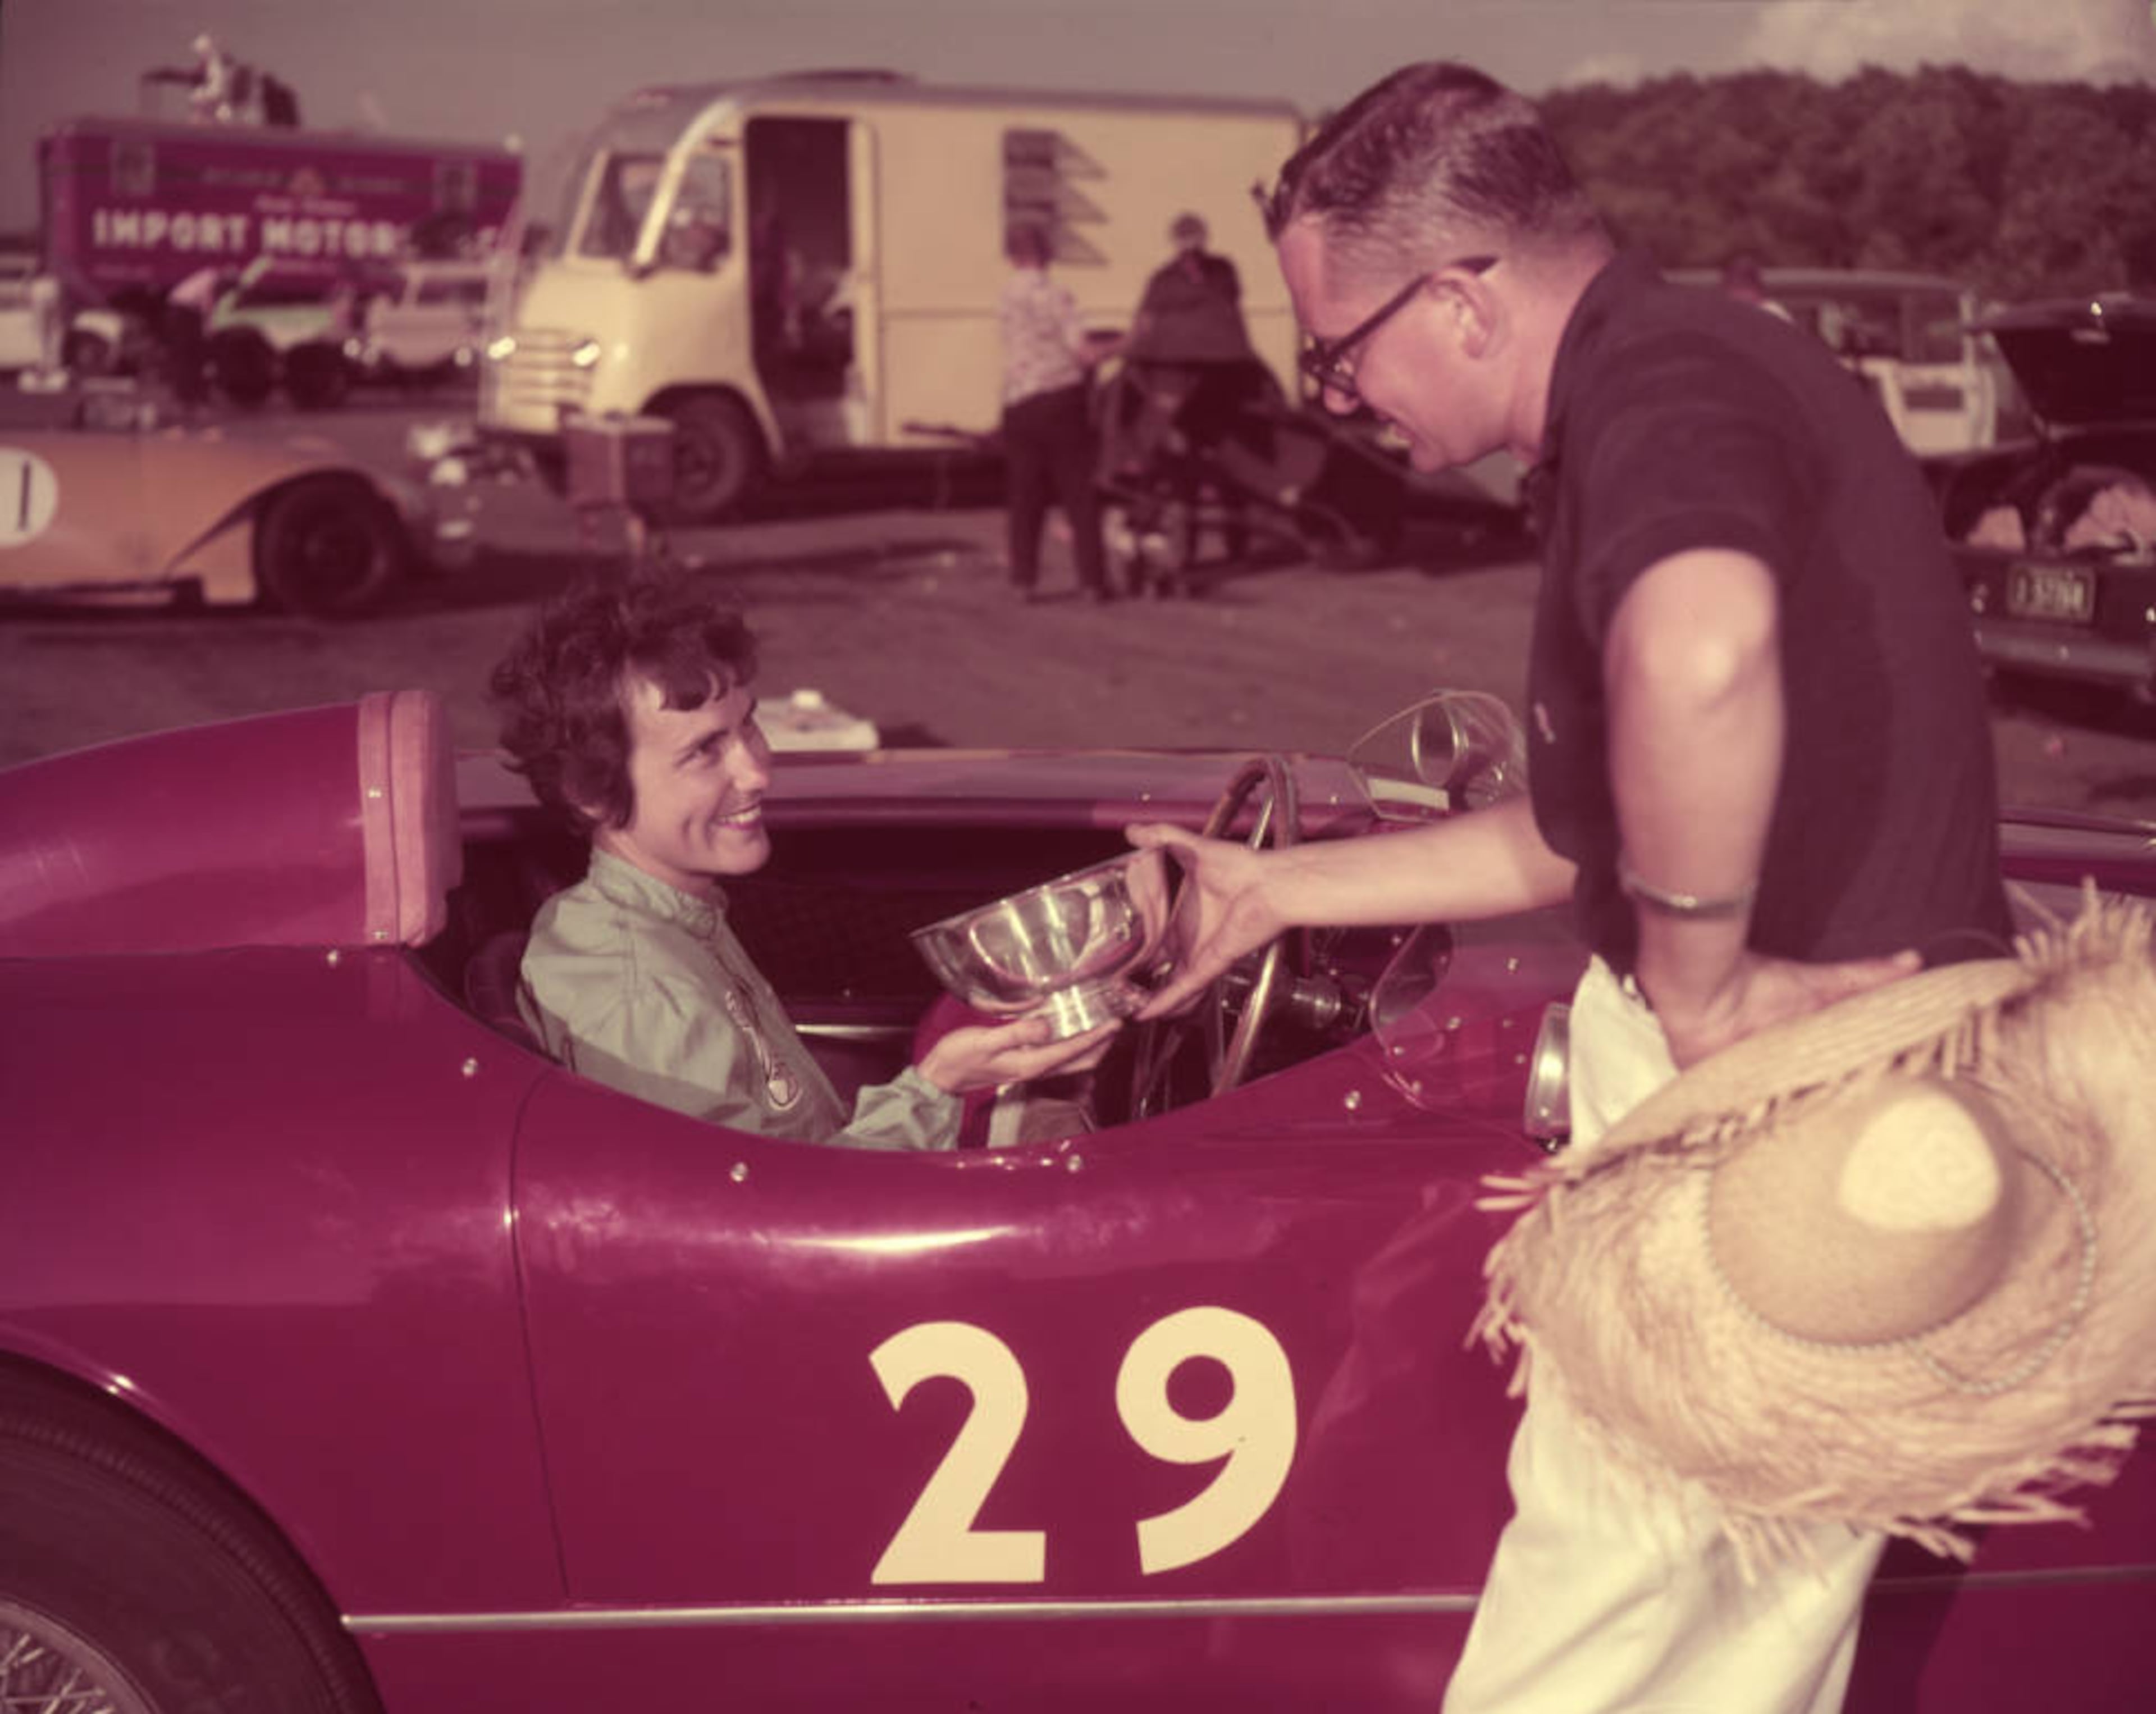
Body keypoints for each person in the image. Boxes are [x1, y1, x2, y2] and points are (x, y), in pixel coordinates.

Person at [1129, 60, 2012, 1714]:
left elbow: (1695, 649)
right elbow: (1578, 834)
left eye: (1337, 354)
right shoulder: (1668, 378)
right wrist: (1262, 898)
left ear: (1459, 300)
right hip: (1805, 1115)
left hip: (1770, 1118)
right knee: (1729, 1667)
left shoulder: (1662, 382)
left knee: (1579, 1654)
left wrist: (1696, 983)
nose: (1332, 401)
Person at [491, 575, 1116, 1148]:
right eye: (705, 751)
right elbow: (758, 1229)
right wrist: (938, 1087)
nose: (757, 770)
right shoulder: (638, 993)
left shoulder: (668, 919)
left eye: (747, 726)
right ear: (593, 792)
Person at [1109, 212, 1272, 564]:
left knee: (1234, 473)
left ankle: (1237, 547)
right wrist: (1127, 350)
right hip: (1175, 388)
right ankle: (1184, 555)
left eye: (1196, 236)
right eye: (1185, 237)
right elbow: (1146, 322)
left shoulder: (1223, 271)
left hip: (1224, 385)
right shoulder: (1163, 280)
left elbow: (1228, 314)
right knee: (1182, 484)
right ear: (1175, 241)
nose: (1191, 244)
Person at [999, 222, 1115, 601]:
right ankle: (1092, 582)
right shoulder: (1056, 295)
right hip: (1060, 402)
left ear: (1013, 255)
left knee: (1025, 497)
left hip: (1018, 404)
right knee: (1078, 495)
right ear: (1046, 253)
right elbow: (1083, 354)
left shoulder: (1005, 297)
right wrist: (1128, 342)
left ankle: (1023, 581)